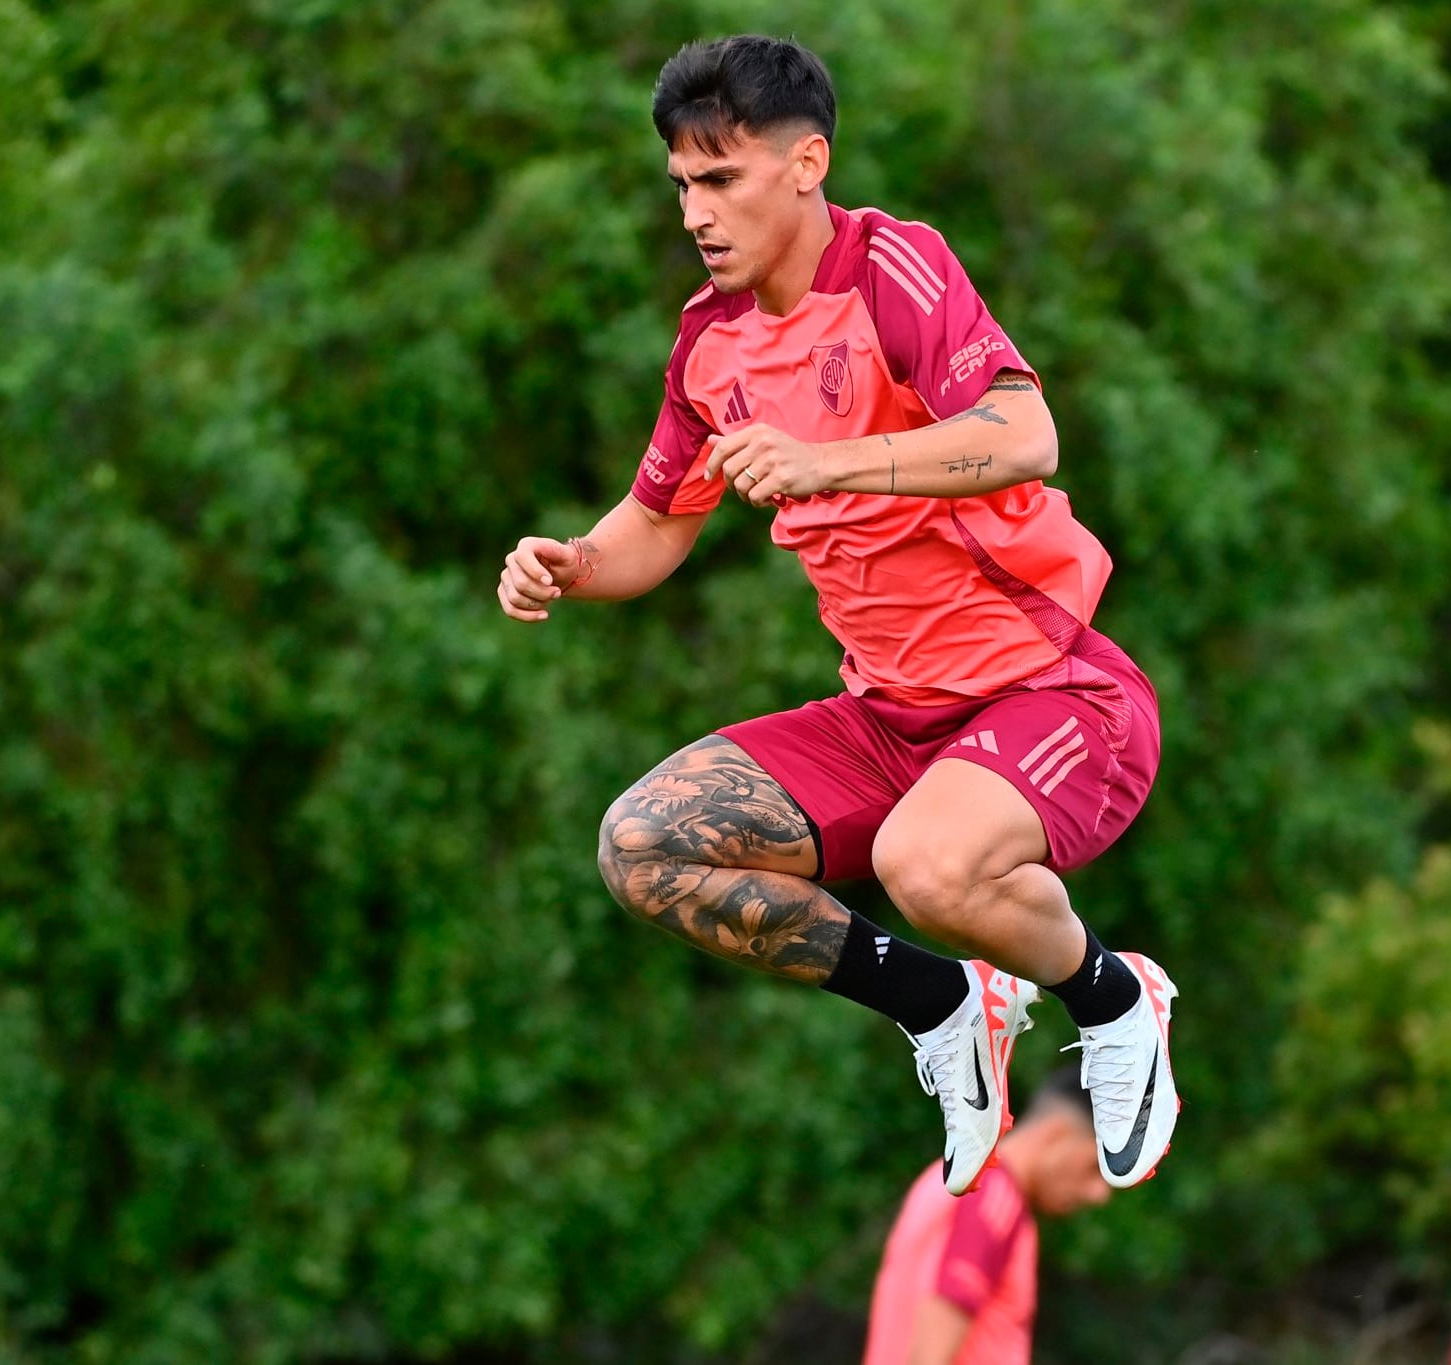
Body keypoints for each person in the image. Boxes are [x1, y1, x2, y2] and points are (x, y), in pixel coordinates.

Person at [496, 33, 1178, 1196]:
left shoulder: (890, 269)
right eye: (681, 185)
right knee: (644, 846)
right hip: (888, 722)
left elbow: (1026, 435)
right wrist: (572, 563)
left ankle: (1115, 1002)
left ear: (806, 163)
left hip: (1051, 691)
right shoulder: (710, 340)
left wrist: (831, 463)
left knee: (925, 864)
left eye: (721, 179)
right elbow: (655, 524)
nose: (695, 214)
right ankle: (942, 1004)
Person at [863, 1066, 1113, 1365]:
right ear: (1056, 1135)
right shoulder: (991, 1197)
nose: (1099, 1194)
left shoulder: (965, 1181)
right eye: (1093, 1167)